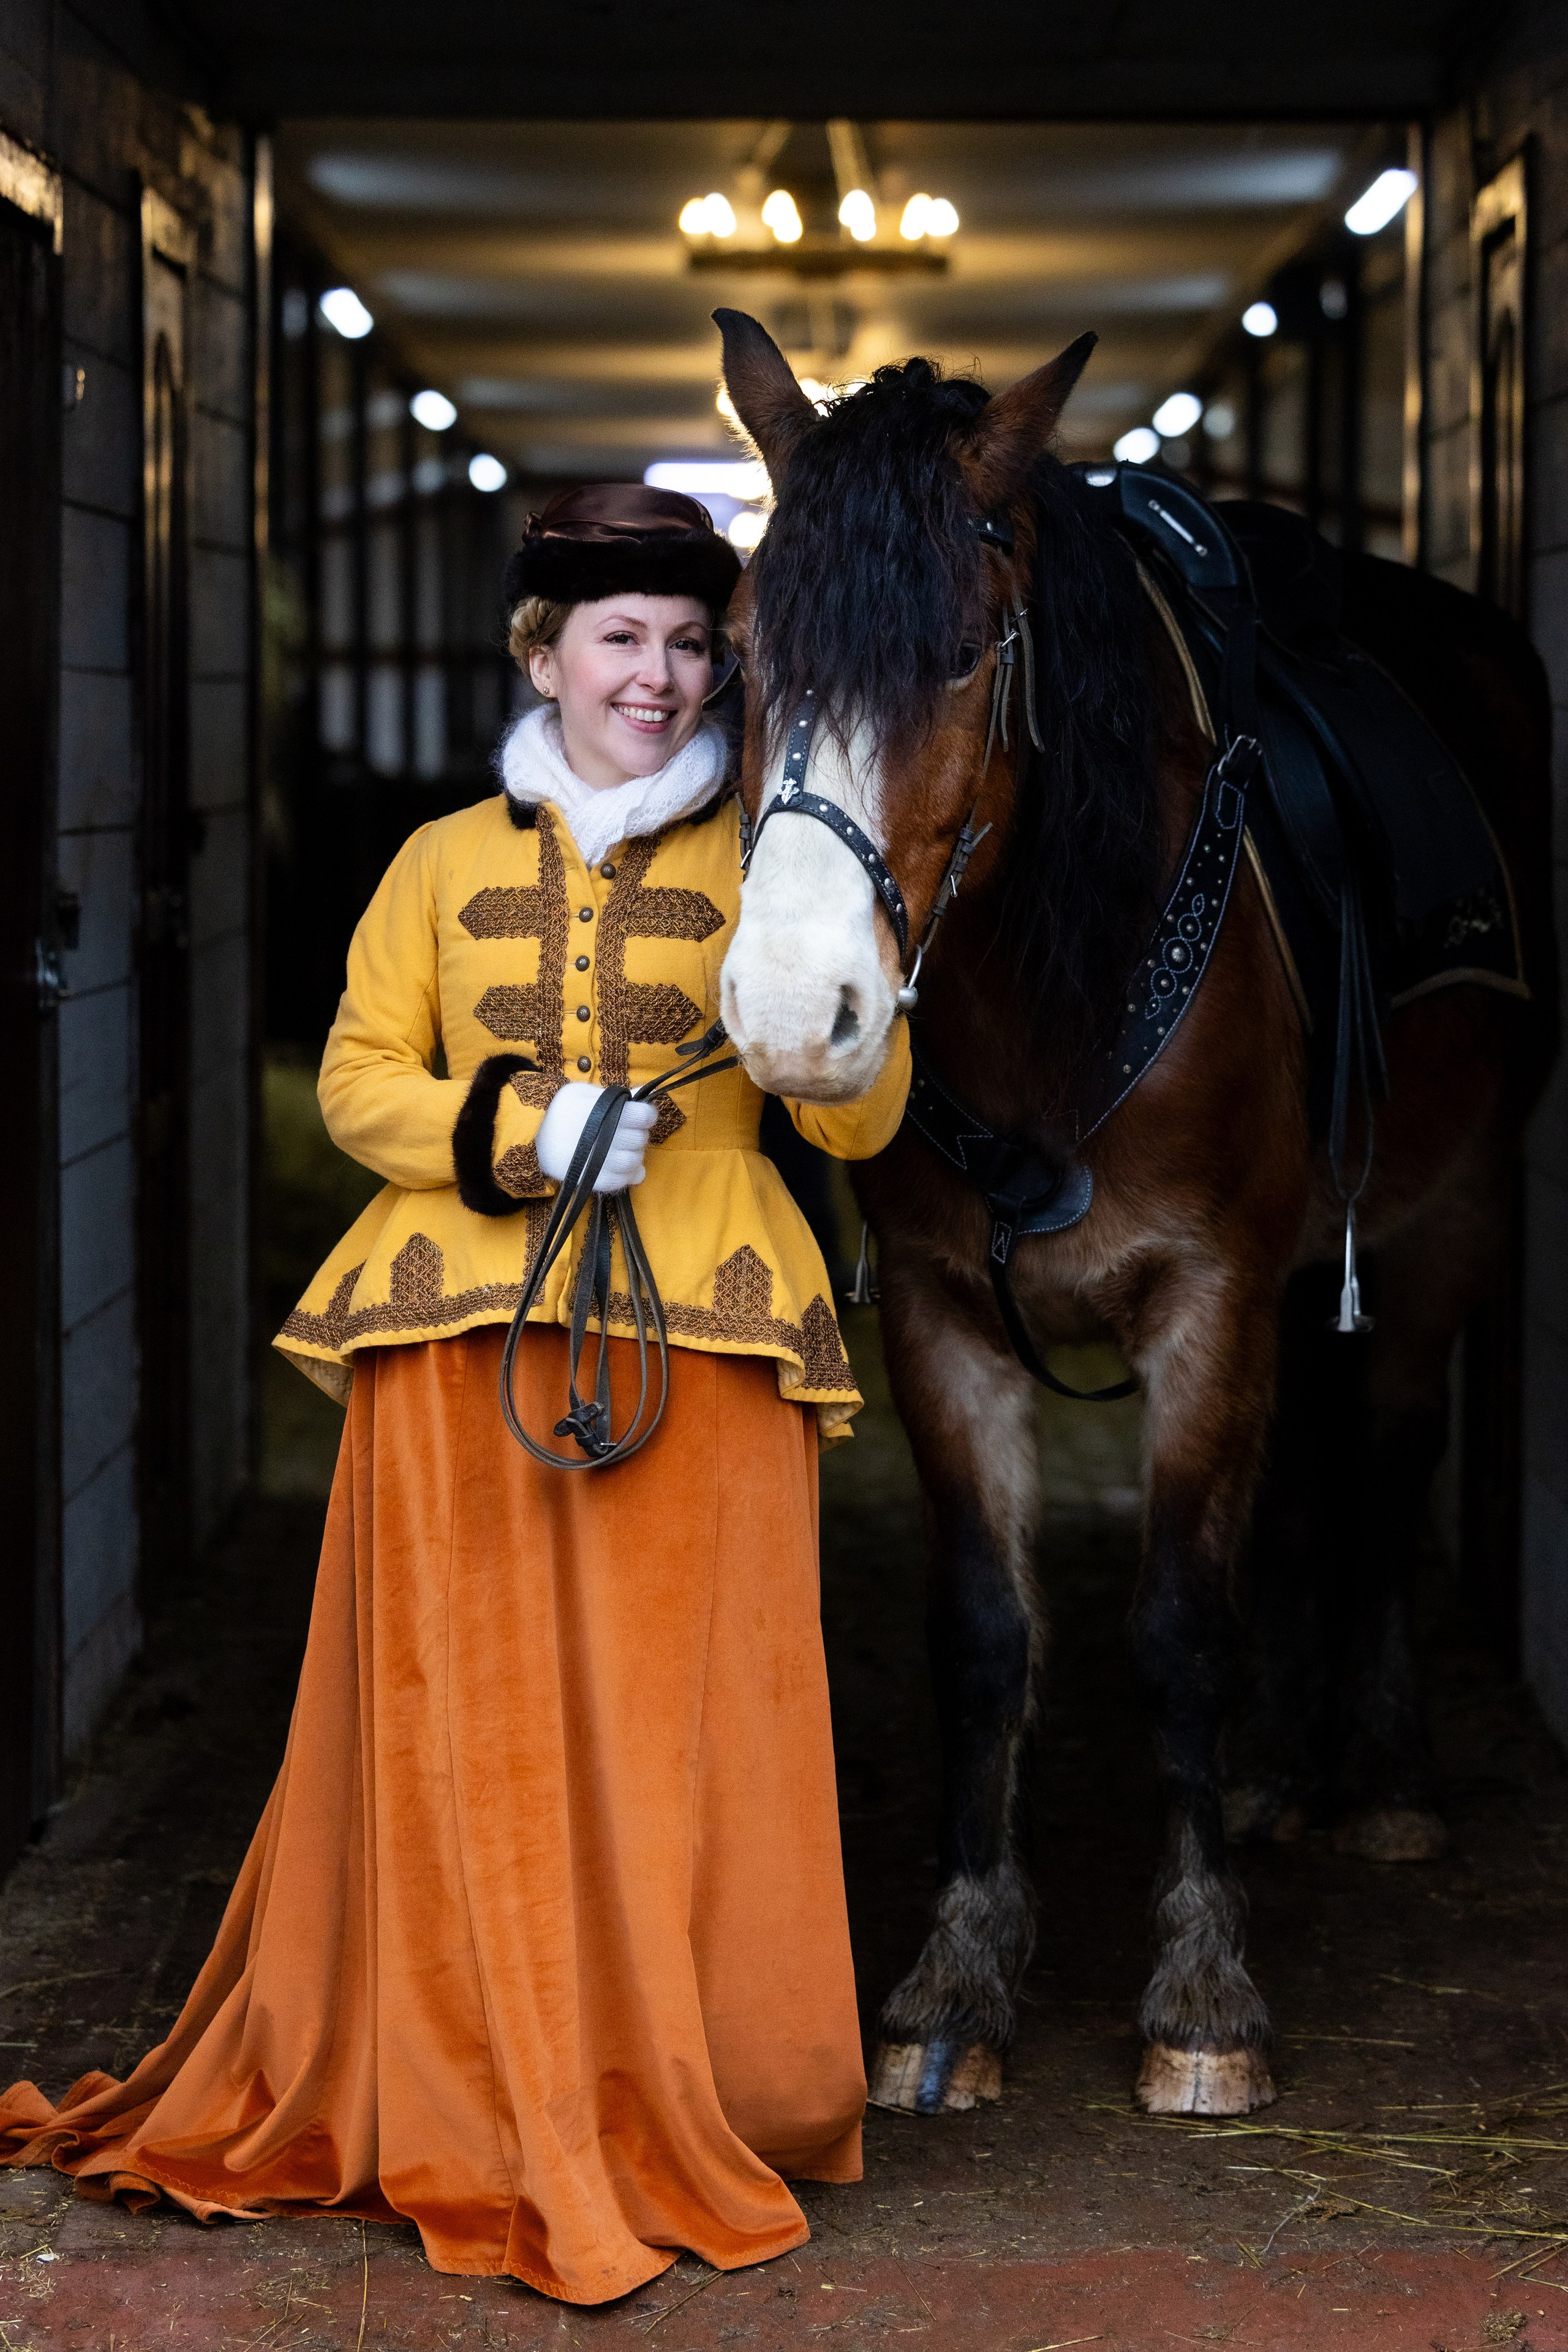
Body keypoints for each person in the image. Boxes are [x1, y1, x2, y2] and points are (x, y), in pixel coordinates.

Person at [0, 483, 910, 2303]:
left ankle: (677, 2081)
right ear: (544, 654)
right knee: (463, 1727)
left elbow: (869, 1122)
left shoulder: (782, 855)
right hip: (449, 1347)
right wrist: (518, 1127)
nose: (658, 677)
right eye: (620, 640)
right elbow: (351, 1086)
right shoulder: (430, 865)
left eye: (688, 643)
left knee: (681, 1732)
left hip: (706, 1348)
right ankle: (464, 2077)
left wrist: (844, 1029)